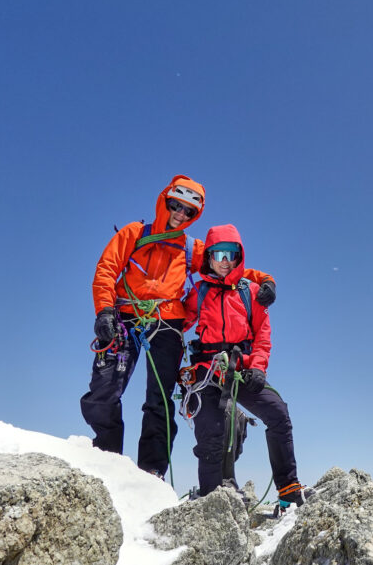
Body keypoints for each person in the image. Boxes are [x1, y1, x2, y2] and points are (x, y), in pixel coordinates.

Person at [80, 175, 277, 478]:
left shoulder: (190, 247)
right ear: (166, 201)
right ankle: (106, 461)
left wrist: (264, 279)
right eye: (176, 206)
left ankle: (151, 473)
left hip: (167, 323)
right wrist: (104, 310)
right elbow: (106, 269)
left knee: (159, 398)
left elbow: (226, 266)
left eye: (189, 212)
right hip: (123, 317)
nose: (181, 215)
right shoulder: (134, 233)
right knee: (104, 389)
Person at [182, 223, 306, 510]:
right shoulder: (197, 293)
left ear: (239, 256)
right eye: (218, 254)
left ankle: (288, 491)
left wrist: (259, 368)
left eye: (231, 254)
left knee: (277, 413)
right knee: (210, 430)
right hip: (206, 371)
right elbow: (179, 325)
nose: (225, 261)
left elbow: (263, 335)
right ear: (209, 257)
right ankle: (212, 498)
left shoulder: (251, 292)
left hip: (242, 370)